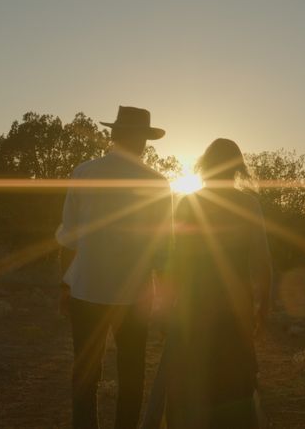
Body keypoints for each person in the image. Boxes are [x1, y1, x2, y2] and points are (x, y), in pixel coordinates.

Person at [56, 106, 172, 429]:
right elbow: (163, 248)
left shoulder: (84, 173)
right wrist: (165, 299)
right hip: (135, 296)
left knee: (85, 374)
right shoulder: (158, 183)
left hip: (86, 289)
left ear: (114, 135)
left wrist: (64, 284)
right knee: (132, 375)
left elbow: (69, 236)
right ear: (143, 141)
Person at [165, 138, 272, 429]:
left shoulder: (188, 203)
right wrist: (263, 309)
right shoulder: (249, 205)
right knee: (235, 382)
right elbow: (262, 262)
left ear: (205, 166)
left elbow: (177, 259)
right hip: (235, 306)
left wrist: (169, 304)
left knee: (191, 379)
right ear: (237, 169)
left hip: (194, 304)